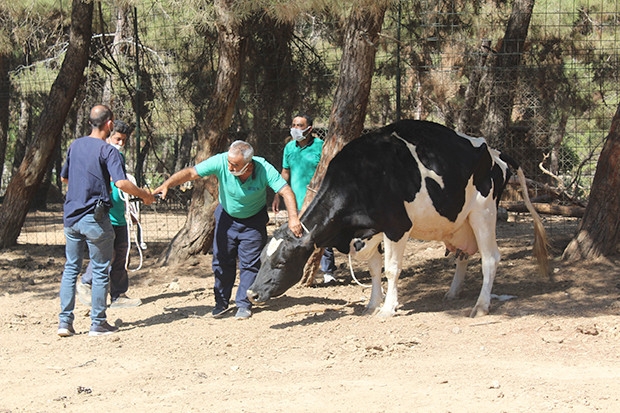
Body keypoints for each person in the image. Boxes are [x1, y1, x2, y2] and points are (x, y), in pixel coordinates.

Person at [153, 140, 302, 320]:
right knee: (221, 262)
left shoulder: (263, 168)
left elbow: (286, 191)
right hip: (226, 218)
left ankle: (243, 304)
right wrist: (168, 184)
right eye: (229, 162)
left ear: (248, 163)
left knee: (250, 263)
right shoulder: (222, 161)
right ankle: (221, 303)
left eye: (235, 164)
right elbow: (192, 172)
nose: (230, 167)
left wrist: (293, 218)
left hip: (253, 222)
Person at [57, 105, 154, 337]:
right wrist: (144, 195)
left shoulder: (75, 145)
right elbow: (121, 183)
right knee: (101, 269)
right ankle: (98, 323)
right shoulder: (108, 151)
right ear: (109, 124)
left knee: (71, 268)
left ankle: (64, 322)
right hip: (95, 218)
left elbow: (64, 177)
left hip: (71, 217)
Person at [77, 120, 142, 309]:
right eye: (117, 139)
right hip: (104, 214)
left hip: (119, 213)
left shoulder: (118, 157)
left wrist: (130, 210)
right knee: (107, 253)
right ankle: (86, 283)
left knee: (121, 253)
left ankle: (118, 294)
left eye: (124, 140)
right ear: (108, 136)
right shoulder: (102, 154)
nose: (120, 144)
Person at [272, 114, 337, 285]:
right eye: (293, 124)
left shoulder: (320, 146)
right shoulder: (289, 148)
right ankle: (301, 274)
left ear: (310, 128)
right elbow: (285, 173)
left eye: (300, 125)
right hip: (295, 202)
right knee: (298, 237)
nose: (295, 128)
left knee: (323, 236)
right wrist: (277, 195)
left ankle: (328, 272)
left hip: (318, 201)